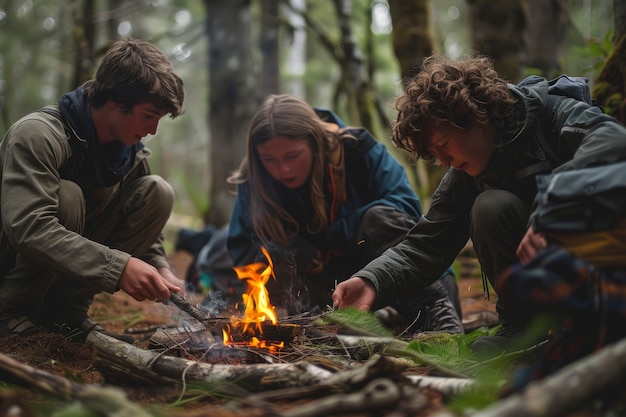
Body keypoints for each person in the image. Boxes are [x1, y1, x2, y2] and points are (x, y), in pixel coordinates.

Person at [331, 53, 626, 352]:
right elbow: (425, 245)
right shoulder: (467, 174)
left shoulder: (551, 113)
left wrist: (552, 207)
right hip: (554, 284)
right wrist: (371, 281)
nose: (444, 161)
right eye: (436, 154)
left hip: (607, 268)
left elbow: (614, 140)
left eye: (444, 145)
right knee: (491, 206)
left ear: (474, 116)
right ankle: (522, 327)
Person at [226, 94, 462, 334]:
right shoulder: (255, 178)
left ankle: (432, 321)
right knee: (274, 257)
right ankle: (356, 323)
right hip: (328, 292)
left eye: (292, 156)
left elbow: (406, 211)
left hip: (414, 283)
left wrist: (338, 233)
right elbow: (241, 247)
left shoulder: (358, 149)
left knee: (377, 220)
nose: (283, 169)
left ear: (315, 143)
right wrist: (289, 251)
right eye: (269, 160)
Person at [0, 39, 186, 342]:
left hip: (61, 266)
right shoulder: (38, 134)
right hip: (8, 261)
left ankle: (64, 312)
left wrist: (160, 267)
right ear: (115, 100)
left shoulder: (128, 152)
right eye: (149, 115)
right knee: (68, 196)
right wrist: (119, 266)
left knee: (158, 192)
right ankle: (10, 312)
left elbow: (142, 217)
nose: (153, 130)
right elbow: (29, 227)